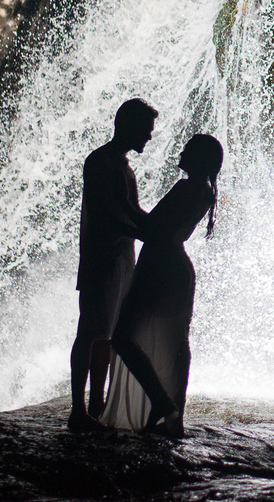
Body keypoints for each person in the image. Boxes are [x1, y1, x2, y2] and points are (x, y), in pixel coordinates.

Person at [100, 134, 222, 436]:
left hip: (160, 266)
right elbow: (157, 227)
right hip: (175, 268)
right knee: (177, 342)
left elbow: (152, 227)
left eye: (188, 150)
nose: (181, 152)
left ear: (197, 158)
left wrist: (121, 204)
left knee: (122, 338)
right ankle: (170, 411)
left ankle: (162, 403)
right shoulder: (205, 191)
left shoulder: (186, 187)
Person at [67, 98, 158, 431]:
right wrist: (151, 233)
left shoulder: (123, 165)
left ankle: (97, 404)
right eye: (146, 130)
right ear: (128, 125)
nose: (149, 137)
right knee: (89, 331)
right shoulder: (99, 161)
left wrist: (157, 230)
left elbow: (133, 211)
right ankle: (78, 409)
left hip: (122, 259)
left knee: (107, 335)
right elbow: (106, 217)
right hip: (100, 257)